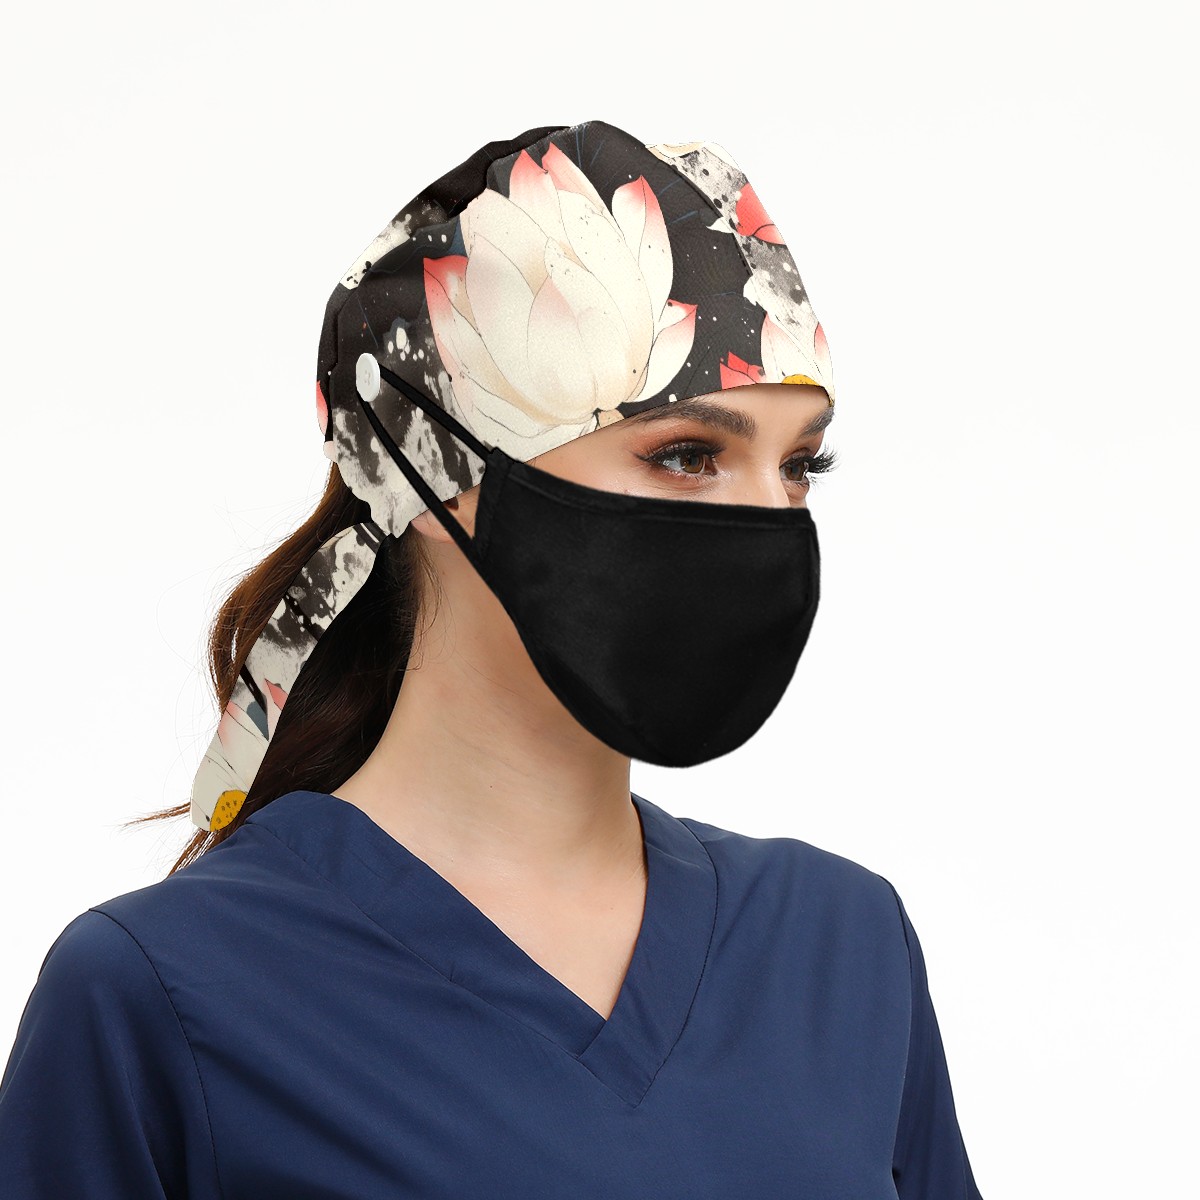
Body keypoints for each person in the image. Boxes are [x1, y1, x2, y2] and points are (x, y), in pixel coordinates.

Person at [0, 119, 984, 1198]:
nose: (770, 525)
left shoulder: (841, 948)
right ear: (433, 469)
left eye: (800, 467)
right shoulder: (161, 996)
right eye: (687, 455)